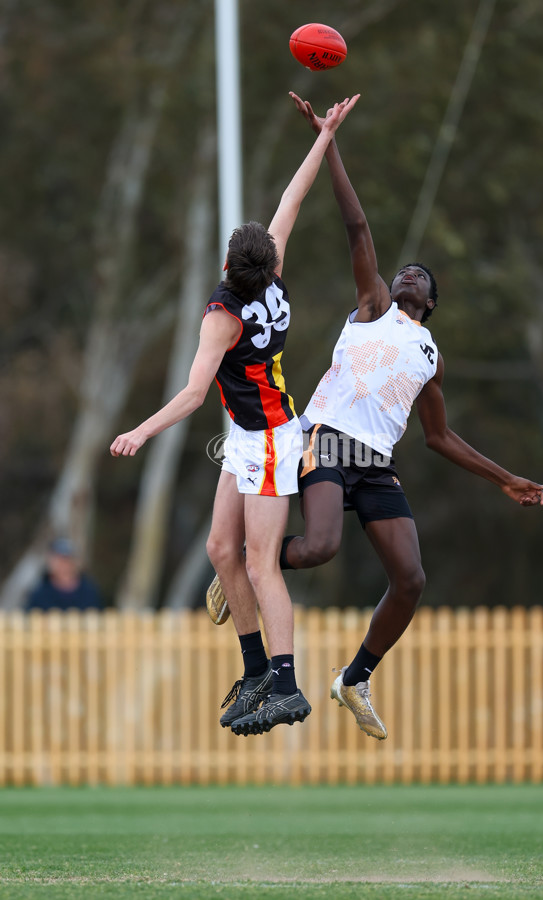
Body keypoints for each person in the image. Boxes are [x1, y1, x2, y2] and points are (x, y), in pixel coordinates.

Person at [208, 93, 543, 741]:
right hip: (325, 441)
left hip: (374, 463)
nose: (408, 273)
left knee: (412, 578)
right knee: (323, 546)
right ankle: (250, 568)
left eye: (419, 275)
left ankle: (354, 677)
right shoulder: (372, 306)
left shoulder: (430, 357)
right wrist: (329, 141)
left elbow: (440, 436)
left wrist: (503, 478)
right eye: (404, 271)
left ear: (431, 301)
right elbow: (357, 228)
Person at [110, 94, 359, 737]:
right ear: (267, 265)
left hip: (275, 437)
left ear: (230, 264)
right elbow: (292, 201)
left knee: (257, 562)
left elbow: (194, 394)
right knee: (222, 549)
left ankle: (287, 683)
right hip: (248, 435)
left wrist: (140, 431)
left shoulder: (225, 310)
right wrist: (325, 134)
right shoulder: (267, 275)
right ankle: (255, 671)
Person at [26, 538, 103, 611]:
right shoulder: (40, 593)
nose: (62, 564)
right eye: (58, 559)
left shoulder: (89, 592)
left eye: (66, 559)